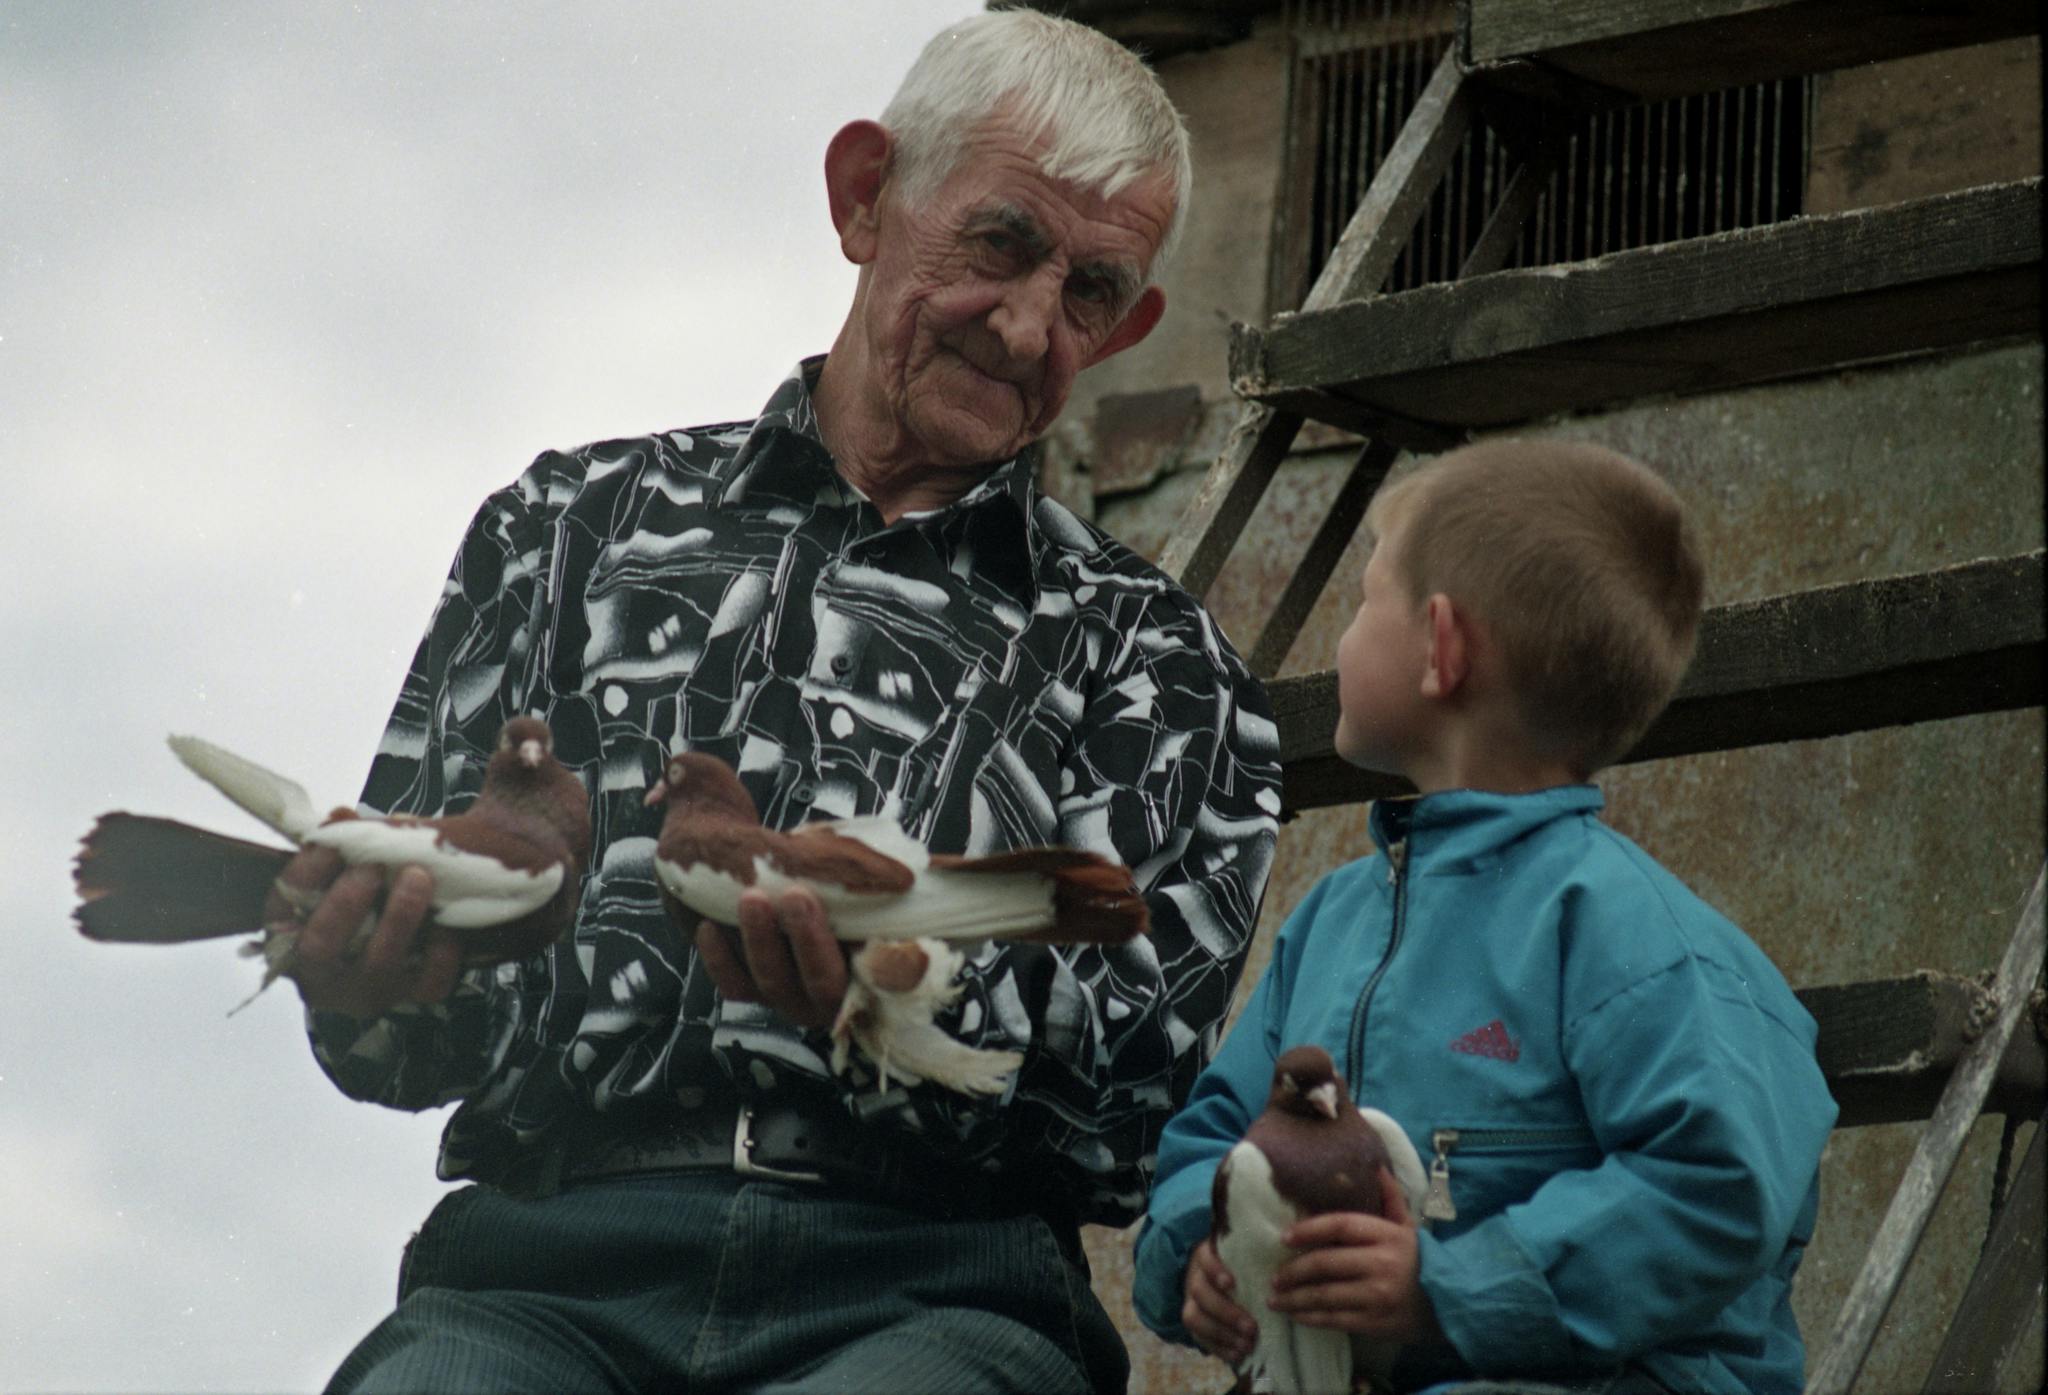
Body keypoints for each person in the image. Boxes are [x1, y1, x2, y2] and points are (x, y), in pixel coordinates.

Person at [274, 12, 1282, 1394]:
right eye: (998, 244)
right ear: (866, 197)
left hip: (935, 1296)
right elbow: (417, 1034)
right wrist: (362, 985)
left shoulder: (1165, 667)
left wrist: (907, 997)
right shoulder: (568, 530)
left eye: (1093, 289)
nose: (1032, 323)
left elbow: (1133, 1123)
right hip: (541, 1276)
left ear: (1133, 323)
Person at [1132, 439, 1837, 1395]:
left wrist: (1447, 1287)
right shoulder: (1334, 920)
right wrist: (1199, 1253)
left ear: (1442, 646)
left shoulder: (1631, 934)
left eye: (1363, 601)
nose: (1340, 640)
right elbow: (1216, 1127)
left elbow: (1722, 1186)